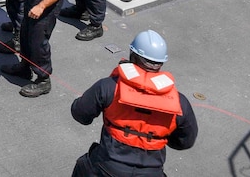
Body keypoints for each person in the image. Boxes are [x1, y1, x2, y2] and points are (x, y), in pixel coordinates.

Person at [70, 30, 198, 176]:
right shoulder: (180, 103)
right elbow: (185, 141)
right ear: (160, 63)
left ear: (133, 55)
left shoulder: (108, 87)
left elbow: (80, 113)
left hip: (107, 168)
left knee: (83, 166)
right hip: (151, 172)